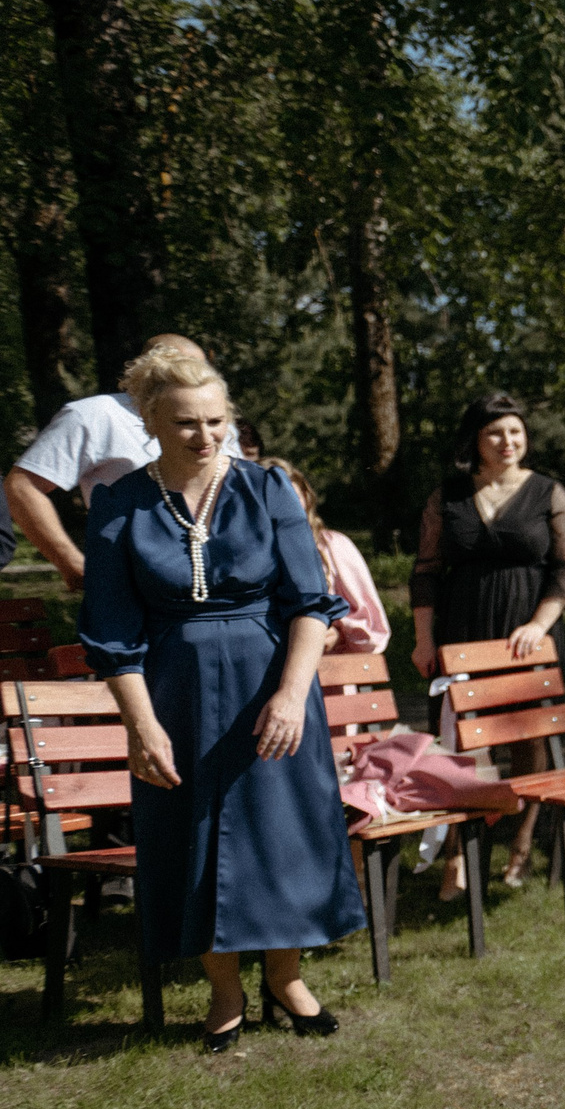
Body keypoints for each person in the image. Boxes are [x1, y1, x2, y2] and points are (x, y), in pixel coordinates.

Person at [78, 347, 366, 1051]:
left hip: (271, 684)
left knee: (285, 833)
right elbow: (112, 633)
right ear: (151, 420)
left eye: (215, 420)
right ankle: (225, 989)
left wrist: (292, 696)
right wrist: (141, 725)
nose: (205, 436)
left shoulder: (266, 489)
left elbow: (311, 604)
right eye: (185, 423)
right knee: (192, 833)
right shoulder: (120, 505)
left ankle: (287, 978)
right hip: (172, 691)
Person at [409, 394, 565, 893]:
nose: (508, 442)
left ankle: (521, 845)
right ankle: (457, 855)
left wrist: (539, 625)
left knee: (529, 737)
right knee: (457, 742)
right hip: (462, 629)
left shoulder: (549, 493)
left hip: (526, 635)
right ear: (476, 441)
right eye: (495, 433)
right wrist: (423, 639)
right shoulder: (449, 497)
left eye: (515, 432)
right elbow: (425, 571)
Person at [7, 332, 205, 592]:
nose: (197, 380)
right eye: (184, 370)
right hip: (134, 584)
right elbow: (22, 487)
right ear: (150, 369)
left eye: (201, 371)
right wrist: (74, 566)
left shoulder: (216, 423)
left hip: (220, 582)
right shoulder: (96, 415)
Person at [266, 459, 389, 654]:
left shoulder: (333, 547)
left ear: (306, 498)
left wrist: (338, 632)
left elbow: (372, 628)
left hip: (329, 667)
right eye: (274, 501)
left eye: (293, 498)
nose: (286, 510)